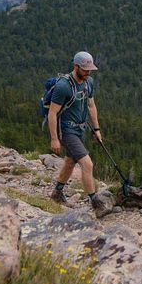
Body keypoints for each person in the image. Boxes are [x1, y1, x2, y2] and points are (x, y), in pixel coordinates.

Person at [47, 51, 108, 215]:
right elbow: (52, 113)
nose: (88, 72)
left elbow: (91, 106)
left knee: (70, 161)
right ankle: (95, 202)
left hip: (81, 129)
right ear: (76, 66)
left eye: (90, 69)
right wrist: (54, 139)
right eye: (85, 69)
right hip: (66, 130)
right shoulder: (63, 86)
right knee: (87, 164)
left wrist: (96, 129)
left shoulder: (89, 83)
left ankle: (57, 192)